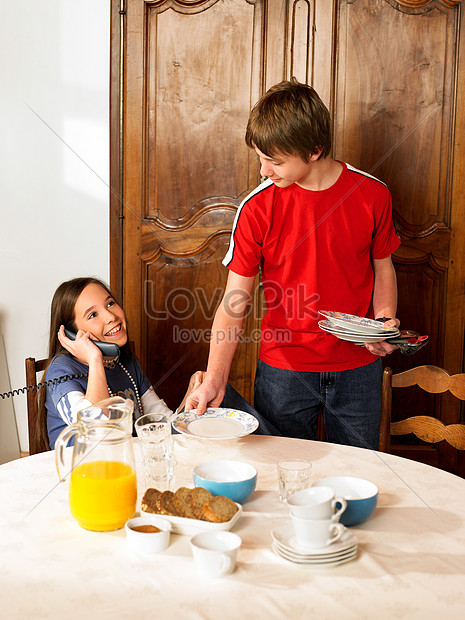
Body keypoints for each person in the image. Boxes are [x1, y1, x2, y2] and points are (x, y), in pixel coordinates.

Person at [185, 78, 401, 450]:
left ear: (315, 150)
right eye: (260, 157)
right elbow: (234, 302)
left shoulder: (373, 194)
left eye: (275, 160)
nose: (263, 170)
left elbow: (383, 266)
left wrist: (383, 323)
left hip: (358, 370)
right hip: (282, 372)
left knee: (358, 474)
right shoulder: (256, 207)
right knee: (279, 478)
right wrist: (216, 379)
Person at [38, 277, 203, 449]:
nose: (110, 316)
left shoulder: (124, 362)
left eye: (110, 303)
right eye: (93, 315)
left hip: (125, 465)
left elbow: (163, 424)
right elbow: (97, 437)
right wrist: (95, 360)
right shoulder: (61, 370)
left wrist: (190, 398)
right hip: (83, 471)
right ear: (73, 333)